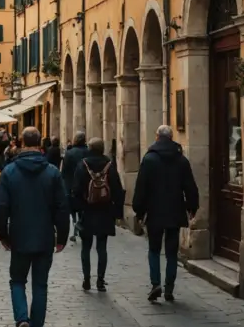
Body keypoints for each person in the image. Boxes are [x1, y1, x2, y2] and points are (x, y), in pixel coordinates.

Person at [0, 126, 70, 327]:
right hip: (45, 236)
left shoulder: (9, 171)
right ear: (39, 143)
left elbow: (0, 207)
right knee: (40, 285)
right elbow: (62, 207)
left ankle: (21, 319)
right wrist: (62, 236)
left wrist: (3, 234)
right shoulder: (52, 172)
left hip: (19, 235)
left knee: (17, 281)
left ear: (22, 142)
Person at [133, 125, 199, 303]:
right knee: (171, 252)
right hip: (175, 211)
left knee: (154, 249)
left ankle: (155, 283)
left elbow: (141, 188)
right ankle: (169, 288)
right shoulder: (181, 160)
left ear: (157, 137)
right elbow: (190, 186)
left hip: (154, 212)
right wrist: (193, 207)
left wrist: (138, 210)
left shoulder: (149, 159)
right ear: (171, 137)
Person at [72, 137, 124, 292]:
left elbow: (75, 189)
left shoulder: (83, 165)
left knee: (85, 247)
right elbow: (117, 190)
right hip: (105, 211)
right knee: (102, 247)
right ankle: (100, 280)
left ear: (90, 148)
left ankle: (86, 278)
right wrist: (117, 212)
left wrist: (78, 209)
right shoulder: (110, 165)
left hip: (87, 211)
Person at [61, 131, 88, 242]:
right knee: (83, 206)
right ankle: (81, 223)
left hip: (71, 183)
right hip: (84, 184)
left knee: (72, 207)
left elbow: (65, 170)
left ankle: (75, 226)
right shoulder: (88, 152)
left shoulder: (70, 153)